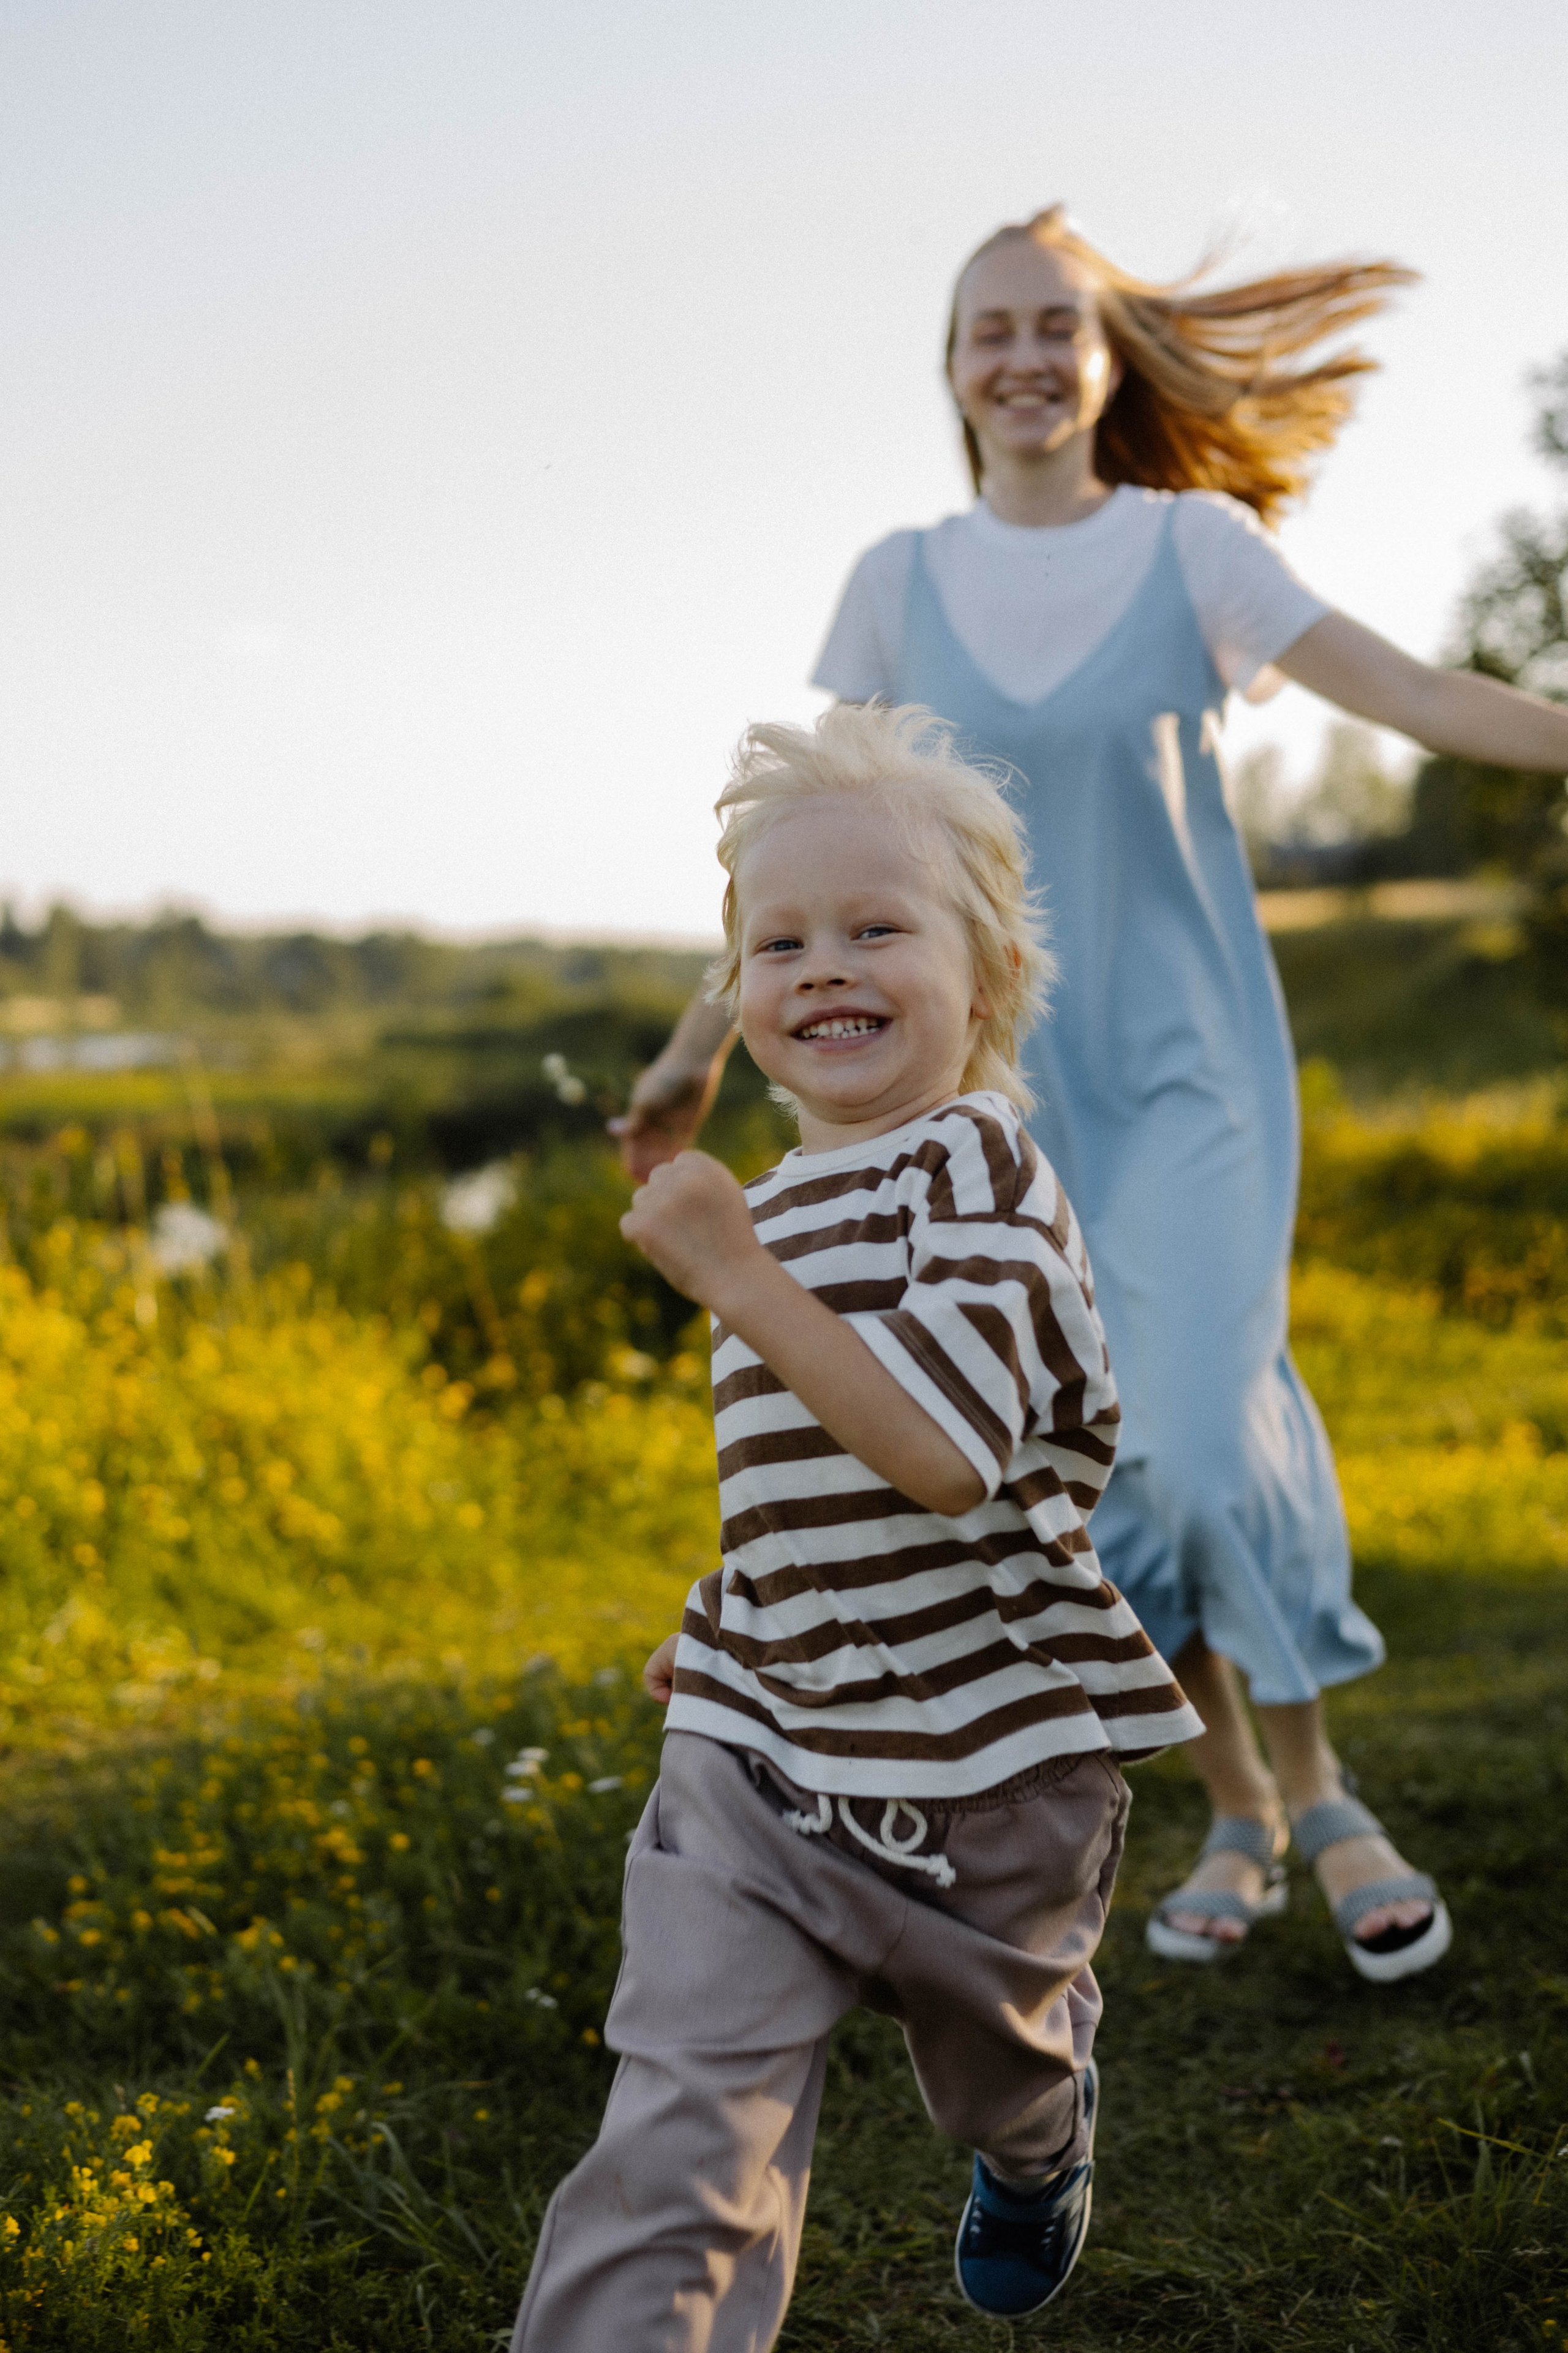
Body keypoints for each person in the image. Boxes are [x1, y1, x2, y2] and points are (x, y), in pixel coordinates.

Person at [613, 207, 1568, 1980]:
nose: (1026, 355)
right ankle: (1238, 1805)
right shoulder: (898, 580)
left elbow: (1416, 692)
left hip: (1196, 1069)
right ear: (952, 367)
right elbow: (805, 852)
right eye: (992, 328)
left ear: (1111, 358)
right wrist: (694, 1052)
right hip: (987, 1102)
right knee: (1085, 1461)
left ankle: (1324, 1790)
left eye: (1059, 323)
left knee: (1202, 1430)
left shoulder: (1192, 546)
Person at [512, 703, 1204, 2349]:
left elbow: (942, 1455)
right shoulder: (771, 1203)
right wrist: (743, 1613)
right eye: (782, 942)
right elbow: (799, 1472)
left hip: (989, 1775)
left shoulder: (981, 1178)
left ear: (991, 975)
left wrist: (733, 1274)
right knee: (681, 2130)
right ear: (742, 989)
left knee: (997, 2079)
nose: (824, 967)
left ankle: (1042, 2142)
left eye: (877, 928)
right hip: (760, 1752)